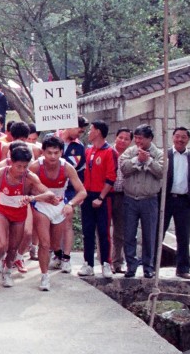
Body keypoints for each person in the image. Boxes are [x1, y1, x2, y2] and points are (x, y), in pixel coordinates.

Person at [0, 144, 60, 288]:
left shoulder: (30, 177)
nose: (21, 170)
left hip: (19, 215)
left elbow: (49, 193)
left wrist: (32, 198)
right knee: (1, 244)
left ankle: (7, 272)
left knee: (13, 247)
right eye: (18, 166)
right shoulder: (1, 172)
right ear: (11, 162)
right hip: (2, 211)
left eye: (25, 166)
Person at [29, 135, 87, 290]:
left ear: (61, 152)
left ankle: (59, 255)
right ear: (43, 152)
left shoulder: (67, 167)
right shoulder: (35, 167)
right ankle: (44, 276)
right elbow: (25, 188)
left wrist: (71, 204)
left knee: (55, 244)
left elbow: (82, 192)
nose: (52, 156)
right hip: (41, 206)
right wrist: (39, 196)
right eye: (49, 153)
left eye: (56, 152)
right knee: (45, 243)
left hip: (59, 206)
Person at [119, 124, 165, 279]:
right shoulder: (130, 151)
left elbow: (161, 172)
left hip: (149, 200)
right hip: (130, 198)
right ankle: (131, 266)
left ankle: (148, 267)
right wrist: (137, 160)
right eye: (136, 138)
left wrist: (148, 161)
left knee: (149, 234)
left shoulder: (159, 153)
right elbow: (124, 168)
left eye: (141, 138)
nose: (138, 141)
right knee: (129, 234)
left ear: (150, 139)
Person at [78, 120, 118, 278]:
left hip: (103, 197)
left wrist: (101, 197)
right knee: (87, 231)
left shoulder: (110, 152)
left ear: (99, 132)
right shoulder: (89, 151)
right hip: (87, 196)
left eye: (92, 129)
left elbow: (111, 177)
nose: (89, 132)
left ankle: (106, 263)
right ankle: (88, 263)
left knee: (103, 231)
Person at [164, 127, 190, 278]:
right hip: (166, 201)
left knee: (183, 236)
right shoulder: (164, 155)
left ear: (188, 139)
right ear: (172, 138)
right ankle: (150, 267)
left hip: (184, 202)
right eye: (177, 136)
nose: (180, 139)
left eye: (183, 137)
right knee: (157, 233)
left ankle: (183, 269)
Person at [108, 128, 133, 273]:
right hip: (107, 194)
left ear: (130, 141)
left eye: (126, 139)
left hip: (124, 195)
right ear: (116, 137)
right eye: (120, 137)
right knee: (105, 230)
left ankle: (118, 262)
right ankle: (106, 261)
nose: (123, 141)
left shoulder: (131, 155)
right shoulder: (108, 151)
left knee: (120, 231)